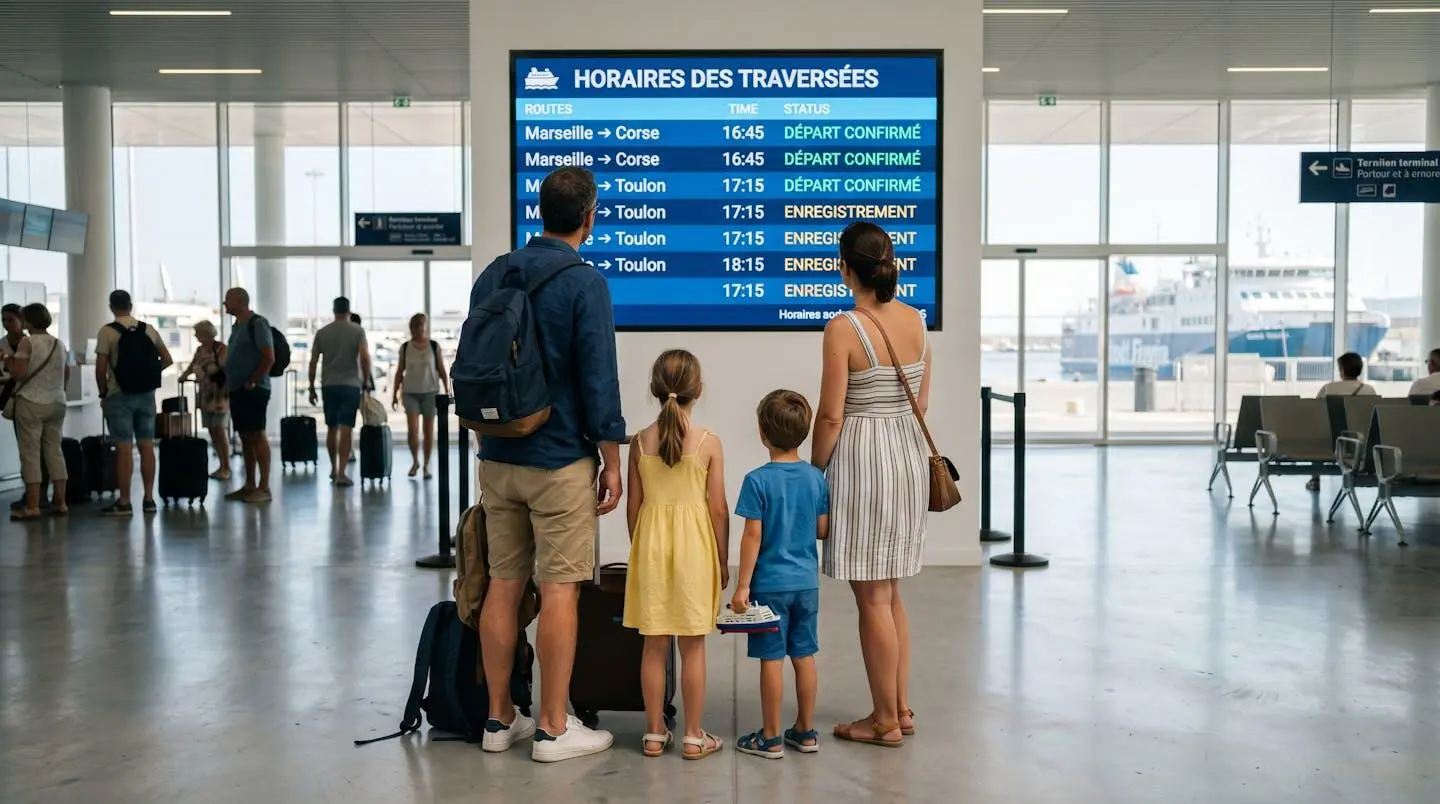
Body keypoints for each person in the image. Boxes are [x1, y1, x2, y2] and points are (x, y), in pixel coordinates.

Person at [471, 166, 625, 764]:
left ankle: (498, 717)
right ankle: (555, 728)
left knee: (503, 584)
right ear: (589, 217)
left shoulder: (495, 273)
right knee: (560, 589)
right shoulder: (585, 282)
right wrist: (611, 462)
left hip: (497, 453)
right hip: (558, 459)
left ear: (539, 211)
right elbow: (598, 380)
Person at [811, 221, 930, 749]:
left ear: (845, 267)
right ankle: (900, 707)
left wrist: (815, 472)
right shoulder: (918, 320)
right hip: (906, 456)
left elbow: (832, 415)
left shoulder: (844, 328)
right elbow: (919, 404)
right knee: (892, 592)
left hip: (863, 462)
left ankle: (882, 721)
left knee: (872, 599)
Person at [624, 350, 728, 760]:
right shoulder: (708, 442)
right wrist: (721, 559)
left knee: (653, 645)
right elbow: (717, 509)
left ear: (655, 389)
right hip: (695, 551)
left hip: (650, 547)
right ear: (696, 390)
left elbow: (634, 508)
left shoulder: (638, 442)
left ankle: (653, 733)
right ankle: (693, 735)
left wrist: (642, 547)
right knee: (693, 647)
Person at [731, 389, 830, 760]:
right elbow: (822, 529)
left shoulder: (756, 481)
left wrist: (742, 586)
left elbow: (752, 536)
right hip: (807, 583)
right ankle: (805, 731)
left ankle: (770, 737)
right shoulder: (815, 479)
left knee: (771, 658)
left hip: (769, 587)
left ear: (762, 433)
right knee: (804, 654)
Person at [95, 290, 173, 517]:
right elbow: (167, 359)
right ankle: (149, 499)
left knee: (124, 448)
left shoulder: (107, 332)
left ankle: (125, 501)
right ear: (131, 305)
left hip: (118, 397)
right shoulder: (148, 329)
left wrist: (103, 393)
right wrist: (148, 375)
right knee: (147, 447)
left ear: (111, 307)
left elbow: (101, 368)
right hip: (146, 396)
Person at [6, 304, 69, 520]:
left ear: (28, 322)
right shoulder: (59, 344)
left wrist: (9, 362)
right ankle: (60, 502)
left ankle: (32, 506)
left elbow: (20, 374)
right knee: (54, 451)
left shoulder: (27, 342)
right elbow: (66, 374)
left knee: (31, 453)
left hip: (32, 402)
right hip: (57, 402)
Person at [308, 297, 372, 487]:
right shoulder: (357, 331)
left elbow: (313, 362)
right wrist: (366, 380)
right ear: (348, 310)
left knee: (331, 428)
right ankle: (342, 473)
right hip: (351, 385)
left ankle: (333, 468)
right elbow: (365, 357)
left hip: (329, 385)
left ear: (333, 310)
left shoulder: (322, 332)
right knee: (346, 429)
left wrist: (311, 387)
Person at [223, 287, 276, 503]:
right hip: (237, 389)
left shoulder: (257, 323)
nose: (225, 303)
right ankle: (249, 484)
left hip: (254, 390)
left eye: (228, 299)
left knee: (256, 435)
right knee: (245, 437)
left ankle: (264, 487)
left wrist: (253, 379)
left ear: (240, 301)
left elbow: (268, 357)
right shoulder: (237, 327)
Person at [1307, 352, 1378, 491]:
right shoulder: (1369, 390)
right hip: (1360, 441)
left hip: (1332, 440)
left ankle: (1315, 478)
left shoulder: (1329, 388)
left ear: (1341, 369)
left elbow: (1316, 412)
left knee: (1317, 431)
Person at [391, 312, 449, 479]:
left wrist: (447, 390)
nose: (419, 329)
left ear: (425, 326)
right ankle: (415, 461)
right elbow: (399, 371)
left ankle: (426, 465)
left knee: (428, 431)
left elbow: (441, 369)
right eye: (415, 326)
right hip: (410, 393)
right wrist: (394, 394)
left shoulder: (433, 346)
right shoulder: (405, 347)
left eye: (421, 325)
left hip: (430, 393)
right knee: (413, 430)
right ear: (411, 328)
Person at [178, 320, 231, 480]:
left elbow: (223, 368)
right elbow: (192, 365)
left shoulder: (221, 348)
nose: (195, 336)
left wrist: (205, 370)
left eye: (197, 333)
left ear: (206, 333)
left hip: (220, 394)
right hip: (206, 394)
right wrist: (185, 375)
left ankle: (226, 466)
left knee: (219, 428)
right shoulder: (200, 350)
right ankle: (221, 464)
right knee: (212, 429)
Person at [2, 302, 40, 511]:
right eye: (4, 320)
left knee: (39, 450)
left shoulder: (35, 343)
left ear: (22, 321)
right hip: (15, 402)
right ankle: (31, 492)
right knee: (26, 450)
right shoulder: (2, 344)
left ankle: (38, 493)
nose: (7, 325)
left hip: (34, 401)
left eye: (11, 320)